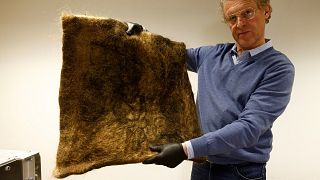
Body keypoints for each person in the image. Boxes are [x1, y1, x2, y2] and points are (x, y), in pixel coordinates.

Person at [127, 0, 294, 179]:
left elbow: (248, 128)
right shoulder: (211, 55)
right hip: (202, 166)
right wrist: (141, 35)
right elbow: (169, 54)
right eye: (232, 18)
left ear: (266, 11)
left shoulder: (278, 68)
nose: (240, 24)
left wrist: (185, 150)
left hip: (241, 173)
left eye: (247, 13)